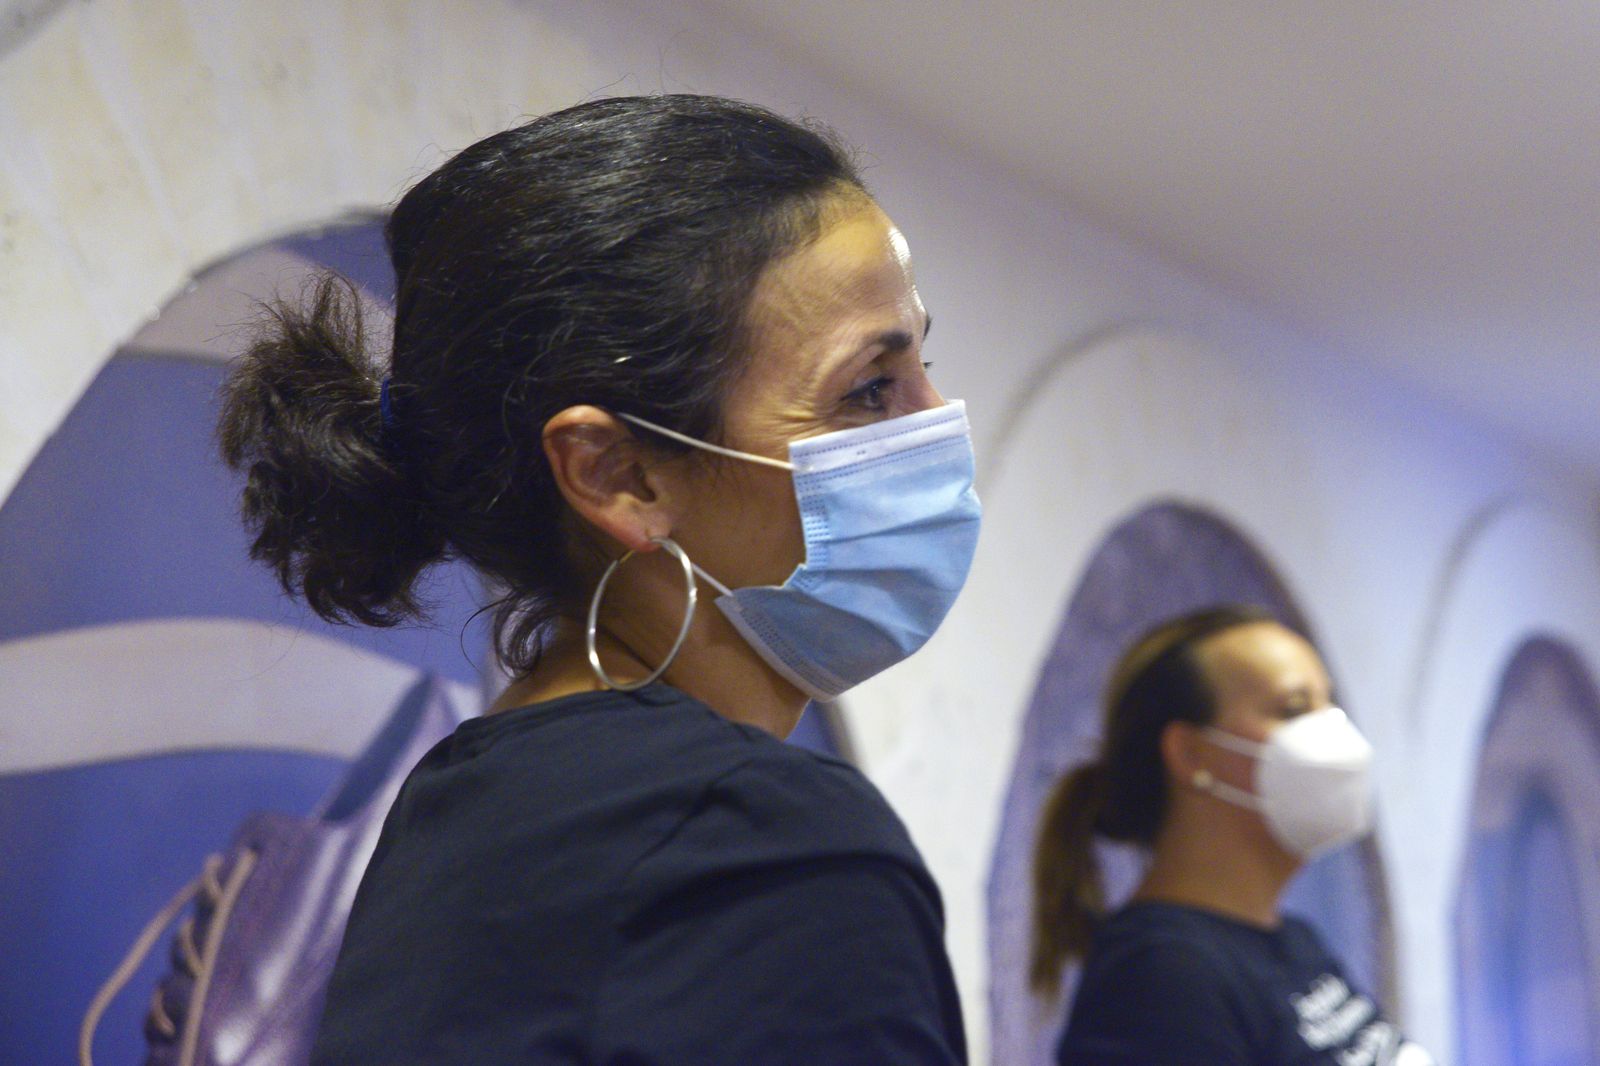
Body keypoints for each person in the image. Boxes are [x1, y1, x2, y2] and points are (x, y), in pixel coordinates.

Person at [217, 94, 977, 1064]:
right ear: (619, 474)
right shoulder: (751, 838)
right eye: (869, 390)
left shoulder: (467, 811)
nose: (936, 419)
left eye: (921, 367)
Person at [1030, 607, 1434, 1065]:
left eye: (1330, 703)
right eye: (1295, 708)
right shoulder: (1163, 979)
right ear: (1191, 755)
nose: (1336, 732)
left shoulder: (1294, 943)